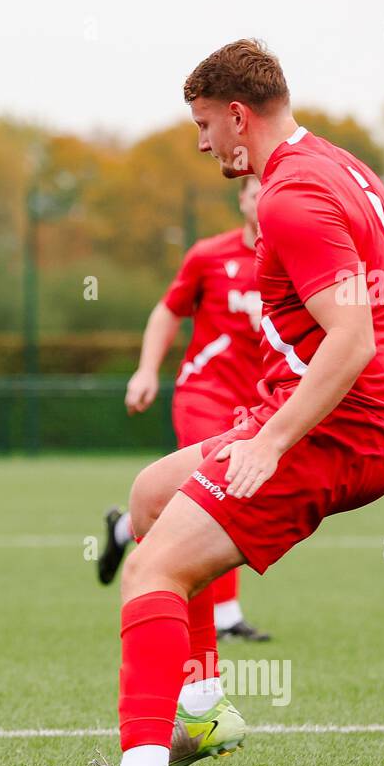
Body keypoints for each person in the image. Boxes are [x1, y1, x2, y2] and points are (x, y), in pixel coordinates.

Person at [33, 39, 384, 766]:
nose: (202, 142)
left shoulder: (287, 197)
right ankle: (204, 707)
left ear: (239, 115)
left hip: (333, 431)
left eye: (205, 124)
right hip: (352, 418)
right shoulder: (351, 169)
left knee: (150, 571)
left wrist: (275, 439)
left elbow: (351, 340)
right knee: (150, 496)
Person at [98, 174, 270, 641]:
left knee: (197, 496)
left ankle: (123, 532)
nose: (263, 199)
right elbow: (168, 310)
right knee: (219, 489)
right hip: (205, 393)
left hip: (261, 405)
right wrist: (146, 371)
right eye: (255, 192)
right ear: (242, 201)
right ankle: (226, 615)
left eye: (271, 190)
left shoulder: (291, 260)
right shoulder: (209, 256)